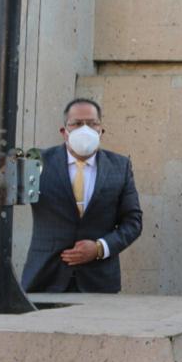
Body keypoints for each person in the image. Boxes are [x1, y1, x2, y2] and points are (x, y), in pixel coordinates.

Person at [22, 98, 143, 293]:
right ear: (64, 131)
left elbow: (133, 222)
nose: (85, 129)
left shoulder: (120, 167)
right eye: (77, 124)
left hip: (99, 282)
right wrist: (5, 172)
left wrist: (99, 248)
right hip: (44, 279)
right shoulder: (39, 161)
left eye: (92, 123)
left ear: (101, 130)